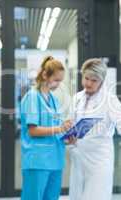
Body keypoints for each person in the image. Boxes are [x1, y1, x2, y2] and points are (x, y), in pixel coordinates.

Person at [68, 58, 121, 200]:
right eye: (86, 78)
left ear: (101, 81)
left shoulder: (109, 99)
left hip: (99, 158)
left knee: (97, 195)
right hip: (79, 155)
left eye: (94, 80)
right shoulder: (77, 98)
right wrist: (68, 135)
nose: (89, 83)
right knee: (77, 195)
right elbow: (69, 123)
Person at [20, 56, 74, 200]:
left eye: (60, 81)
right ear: (45, 75)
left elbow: (56, 129)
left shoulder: (54, 100)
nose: (58, 84)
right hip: (38, 161)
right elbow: (33, 130)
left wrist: (68, 138)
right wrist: (60, 129)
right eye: (56, 80)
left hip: (55, 160)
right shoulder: (32, 97)